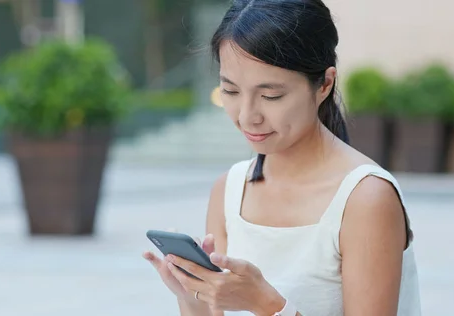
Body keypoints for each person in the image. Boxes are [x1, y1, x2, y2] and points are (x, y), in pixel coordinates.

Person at [143, 0, 422, 315]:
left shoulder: (365, 198)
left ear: (325, 84)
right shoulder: (230, 190)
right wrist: (191, 297)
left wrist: (266, 305)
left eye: (270, 95)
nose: (248, 116)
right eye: (230, 92)